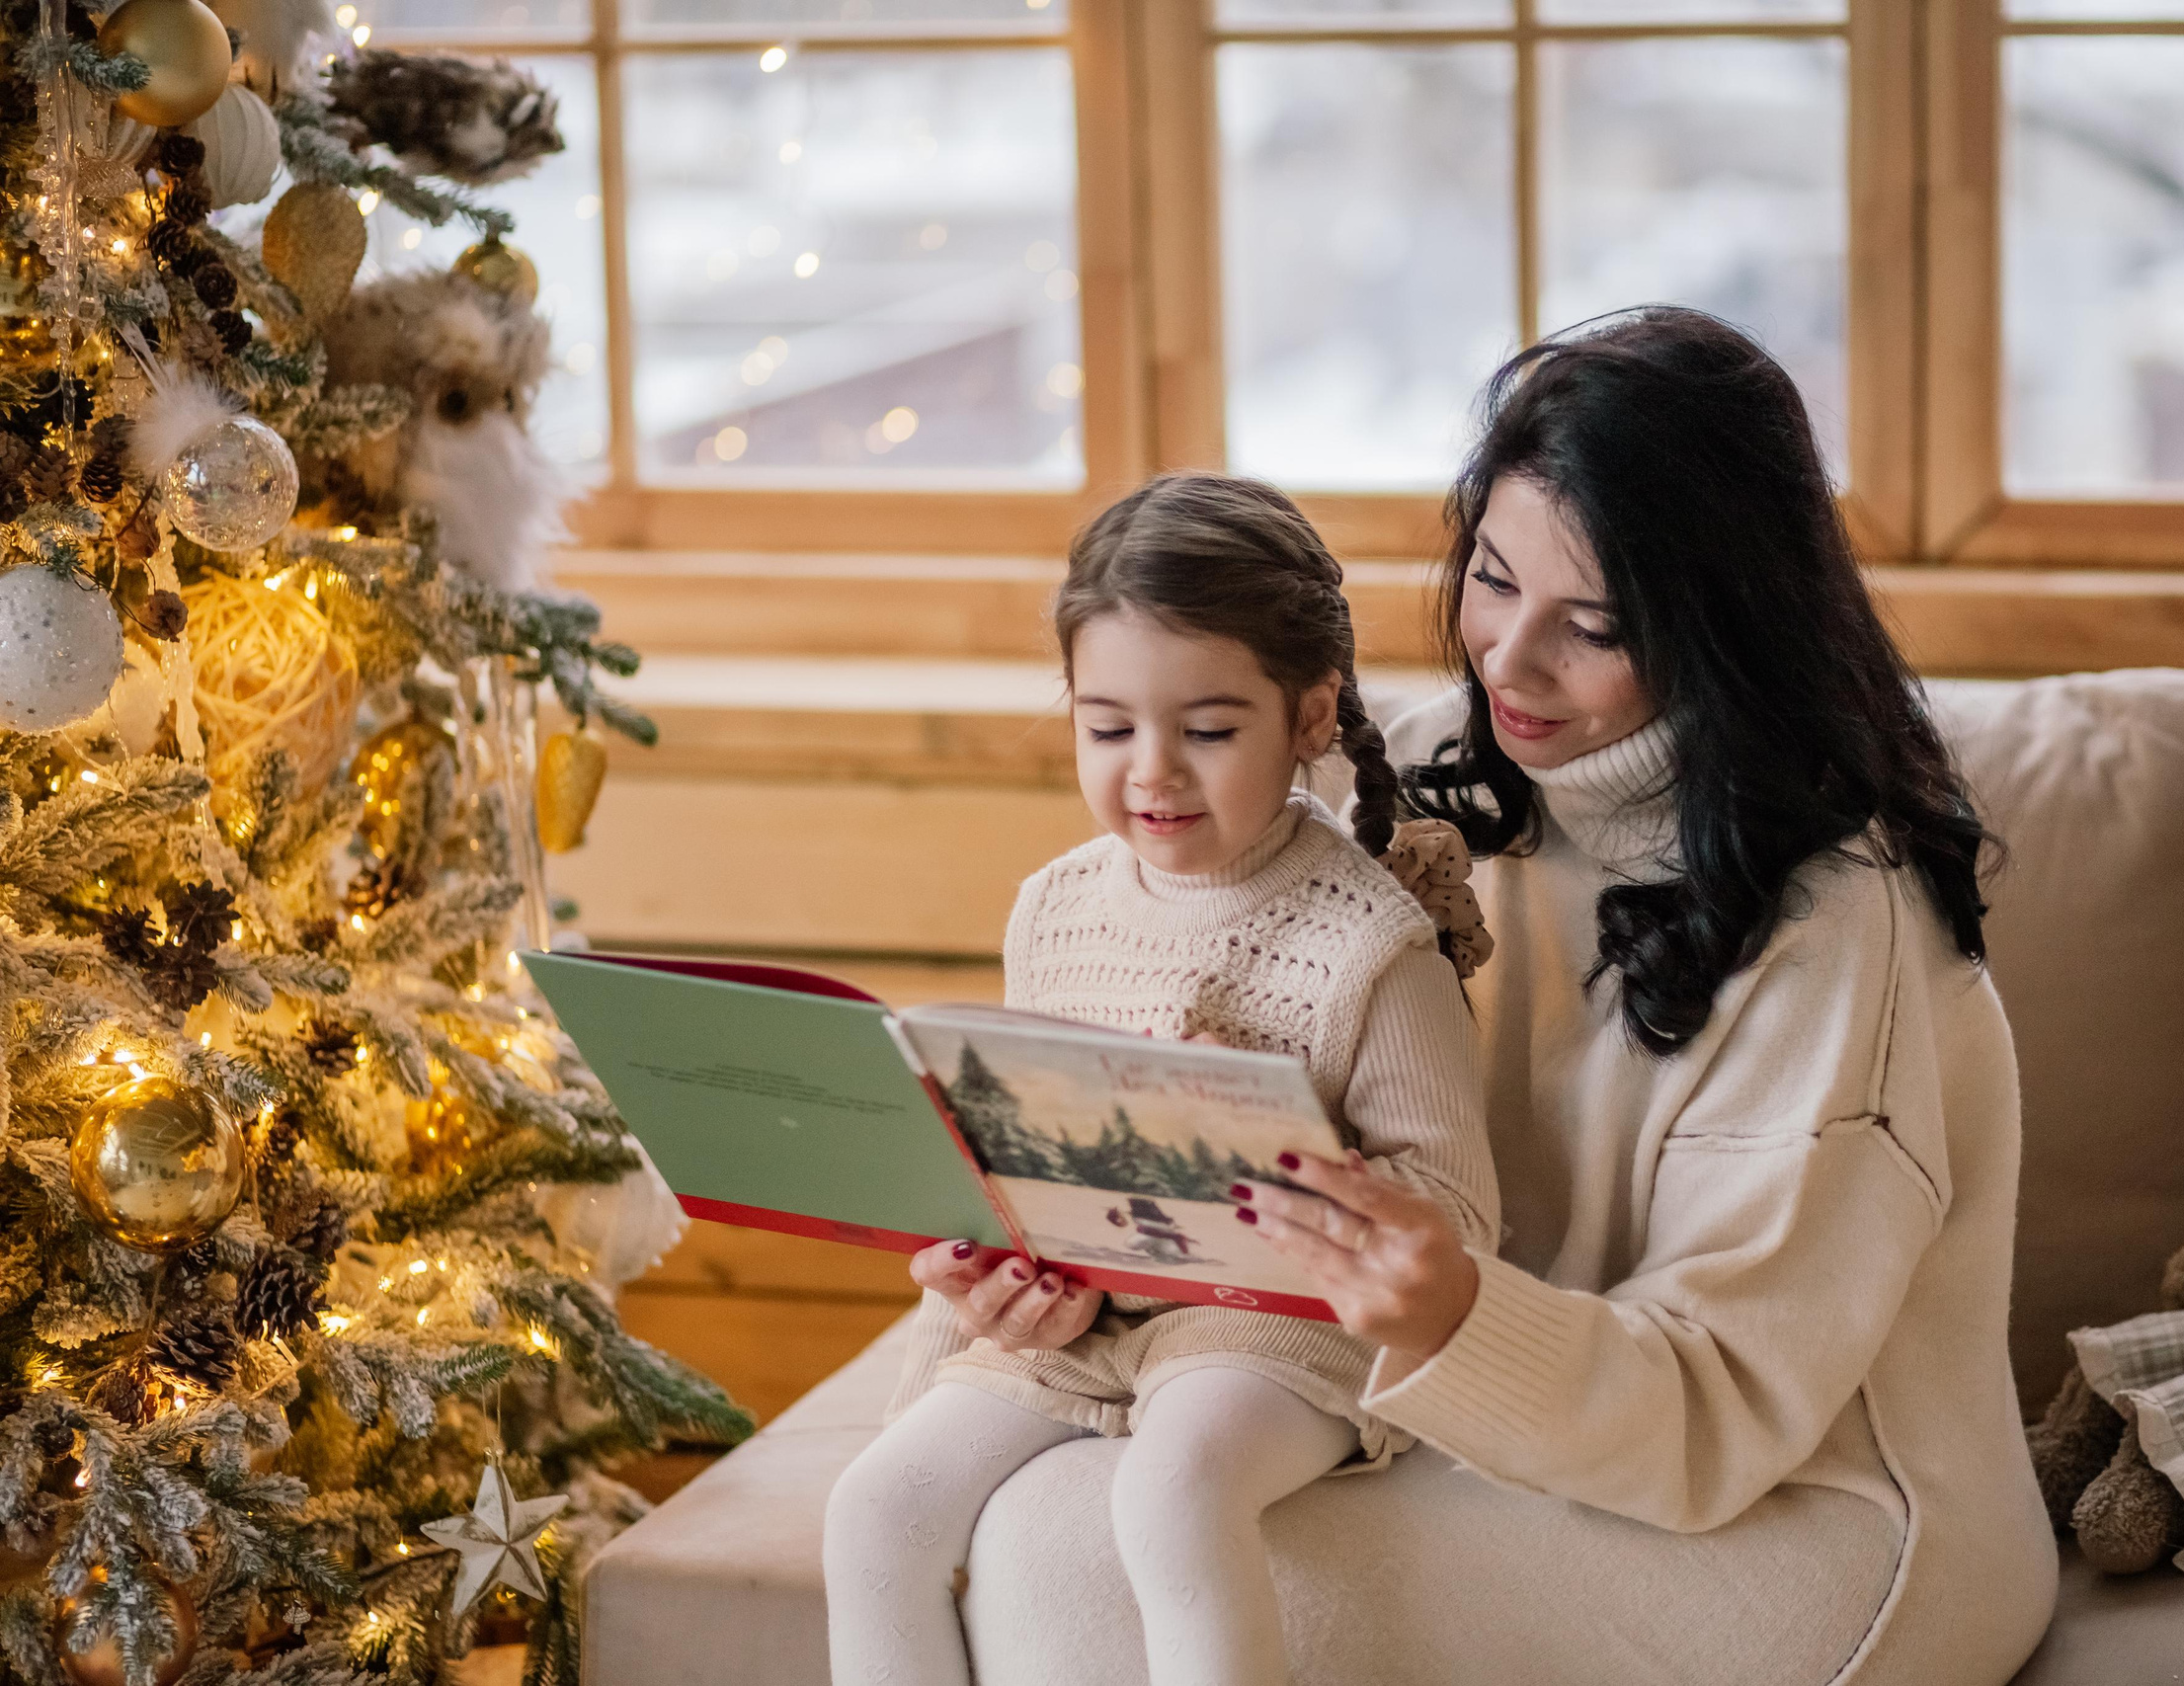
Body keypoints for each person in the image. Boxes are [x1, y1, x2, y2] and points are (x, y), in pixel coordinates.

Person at [1221, 308, 2060, 1684]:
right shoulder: (1429, 778)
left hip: (1812, 1517)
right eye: (1492, 577)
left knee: (1091, 1564)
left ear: (1723, 628)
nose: (1506, 661)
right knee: (1027, 1503)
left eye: (1594, 625)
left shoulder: (1841, 915)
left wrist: (1449, 1314)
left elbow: (1716, 1408)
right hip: (1501, 1434)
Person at [822, 473, 1501, 1686]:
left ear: (1307, 717)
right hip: (1085, 1319)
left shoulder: (1369, 941)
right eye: (1108, 727)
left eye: (1208, 729)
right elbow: (1018, 1160)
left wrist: (1279, 1165)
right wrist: (980, 1291)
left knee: (1175, 1488)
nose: (1154, 773)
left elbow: (1457, 1214)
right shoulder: (1057, 910)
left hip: (1277, 1331)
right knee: (877, 1511)